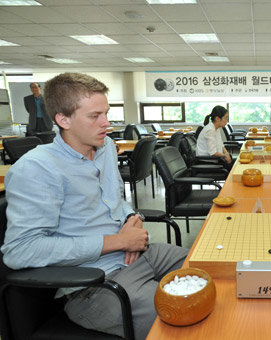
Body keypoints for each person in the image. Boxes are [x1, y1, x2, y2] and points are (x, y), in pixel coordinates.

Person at [1, 72, 189, 340]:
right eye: (94, 116)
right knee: (183, 317)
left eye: (106, 113)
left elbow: (115, 200)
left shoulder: (106, 146)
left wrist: (130, 219)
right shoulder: (35, 169)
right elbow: (20, 251)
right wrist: (119, 241)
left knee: (213, 272)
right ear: (63, 119)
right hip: (92, 284)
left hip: (138, 256)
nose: (107, 123)